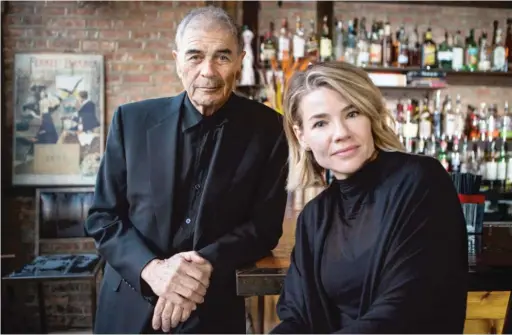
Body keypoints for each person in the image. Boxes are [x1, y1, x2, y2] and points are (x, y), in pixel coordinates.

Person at [85, 6, 288, 334]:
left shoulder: (269, 129)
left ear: (240, 59)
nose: (208, 71)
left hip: (212, 305)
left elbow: (264, 227)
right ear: (177, 60)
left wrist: (203, 267)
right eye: (195, 56)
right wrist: (153, 270)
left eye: (222, 57)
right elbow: (102, 218)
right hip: (130, 301)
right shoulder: (131, 121)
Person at [270, 61, 468, 334]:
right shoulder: (315, 216)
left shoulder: (421, 180)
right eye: (320, 123)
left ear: (370, 114)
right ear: (301, 135)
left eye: (352, 113)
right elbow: (297, 316)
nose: (340, 133)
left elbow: (406, 311)